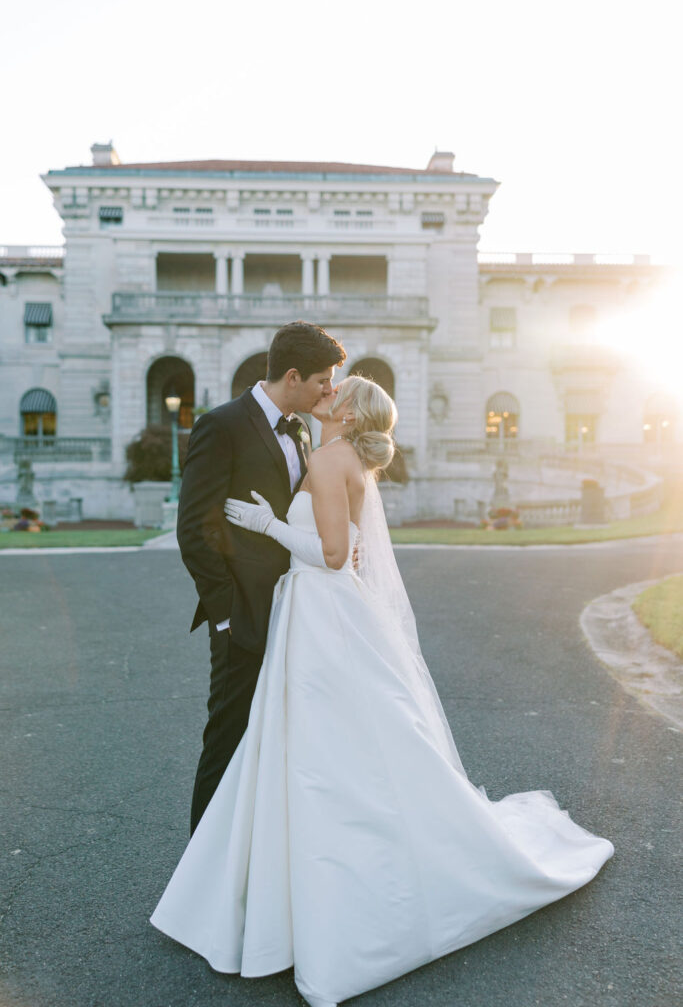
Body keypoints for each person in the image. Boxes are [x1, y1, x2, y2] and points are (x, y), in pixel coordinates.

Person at [152, 375, 614, 1007]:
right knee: (333, 748)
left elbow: (337, 555)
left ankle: (319, 899)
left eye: (336, 389)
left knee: (320, 752)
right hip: (319, 614)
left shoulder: (328, 458)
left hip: (322, 609)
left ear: (344, 411)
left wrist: (268, 525)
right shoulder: (342, 458)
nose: (327, 389)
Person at [176, 320, 346, 833]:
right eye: (322, 381)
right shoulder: (221, 424)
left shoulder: (301, 428)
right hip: (243, 613)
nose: (329, 391)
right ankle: (204, 872)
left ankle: (259, 849)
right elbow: (193, 527)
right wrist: (225, 613)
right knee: (228, 735)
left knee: (280, 733)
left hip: (297, 607)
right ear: (293, 376)